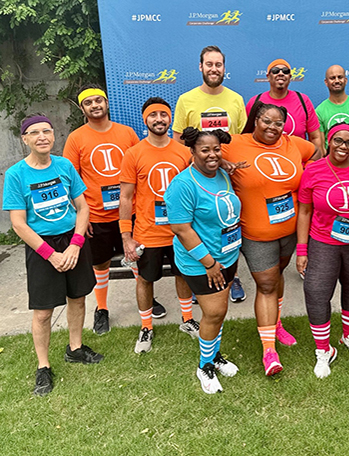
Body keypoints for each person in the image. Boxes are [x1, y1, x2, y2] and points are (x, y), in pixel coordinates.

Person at [3, 114, 103, 396]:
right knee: (44, 311)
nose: (42, 136)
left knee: (78, 298)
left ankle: (75, 348)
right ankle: (43, 367)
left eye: (46, 131)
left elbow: (82, 207)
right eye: (34, 133)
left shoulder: (65, 166)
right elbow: (18, 223)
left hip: (72, 240)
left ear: (53, 135)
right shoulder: (16, 174)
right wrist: (50, 254)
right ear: (25, 139)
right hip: (41, 246)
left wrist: (75, 244)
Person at [221, 102, 320, 375]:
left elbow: (317, 152)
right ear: (255, 120)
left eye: (278, 123)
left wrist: (310, 172)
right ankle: (269, 351)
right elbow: (198, 154)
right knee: (265, 283)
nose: (272, 127)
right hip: (256, 233)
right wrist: (222, 163)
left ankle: (275, 323)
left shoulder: (295, 144)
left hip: (289, 231)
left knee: (276, 276)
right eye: (266, 121)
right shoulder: (234, 144)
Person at [296, 123, 349, 378]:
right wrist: (302, 250)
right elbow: (304, 210)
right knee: (316, 291)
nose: (342, 146)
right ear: (329, 141)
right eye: (337, 140)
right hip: (323, 240)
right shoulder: (314, 170)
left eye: (348, 142)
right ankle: (324, 350)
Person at [63, 84, 145, 335]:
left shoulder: (127, 133)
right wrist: (81, 215)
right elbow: (70, 180)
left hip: (128, 214)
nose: (95, 105)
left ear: (107, 103)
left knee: (138, 259)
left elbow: (139, 170)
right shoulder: (76, 138)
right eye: (89, 103)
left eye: (99, 100)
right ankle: (102, 309)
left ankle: (146, 300)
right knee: (101, 265)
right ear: (82, 108)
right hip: (96, 215)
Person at [164, 127, 241, 394]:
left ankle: (215, 356)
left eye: (216, 149)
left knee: (219, 311)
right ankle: (204, 365)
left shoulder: (221, 174)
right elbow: (181, 229)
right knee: (214, 312)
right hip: (202, 262)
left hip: (228, 254)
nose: (212, 154)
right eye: (205, 150)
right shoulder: (182, 185)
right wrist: (209, 263)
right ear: (193, 151)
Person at [120, 97, 197, 354]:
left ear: (170, 118)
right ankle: (146, 328)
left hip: (180, 231)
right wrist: (126, 236)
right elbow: (126, 197)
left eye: (163, 115)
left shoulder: (184, 152)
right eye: (153, 115)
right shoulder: (133, 154)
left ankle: (187, 320)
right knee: (144, 279)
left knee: (183, 275)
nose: (159, 119)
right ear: (146, 120)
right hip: (147, 233)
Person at [172, 45, 248, 303]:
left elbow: (238, 139)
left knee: (227, 222)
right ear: (200, 67)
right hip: (199, 176)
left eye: (219, 64)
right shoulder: (186, 100)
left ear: (224, 69)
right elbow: (178, 141)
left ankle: (231, 275)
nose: (214, 69)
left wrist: (226, 163)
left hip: (228, 175)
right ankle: (199, 275)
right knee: (199, 224)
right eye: (209, 64)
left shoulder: (236, 100)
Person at [246, 59, 324, 156]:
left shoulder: (303, 100)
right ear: (268, 77)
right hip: (264, 163)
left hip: (298, 165)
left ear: (290, 77)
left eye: (285, 71)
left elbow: (315, 137)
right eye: (275, 71)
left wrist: (314, 164)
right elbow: (246, 137)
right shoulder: (255, 102)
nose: (281, 73)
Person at [315, 65, 349, 154]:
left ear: (346, 80)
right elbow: (321, 146)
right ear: (326, 82)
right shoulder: (319, 111)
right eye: (332, 78)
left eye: (340, 77)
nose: (337, 81)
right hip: (331, 165)